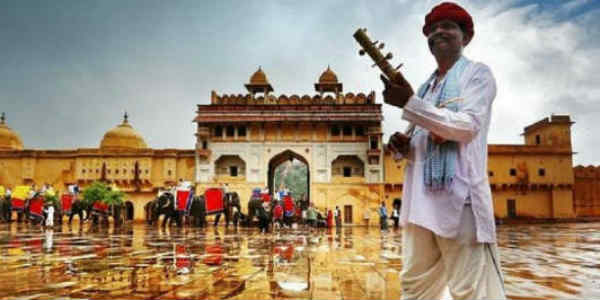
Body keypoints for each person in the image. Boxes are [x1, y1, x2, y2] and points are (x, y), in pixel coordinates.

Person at [381, 2, 505, 298]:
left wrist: (409, 104)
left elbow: (466, 127)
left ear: (466, 36)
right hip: (421, 203)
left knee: (471, 289)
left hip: (460, 201)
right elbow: (427, 141)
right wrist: (405, 147)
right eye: (434, 28)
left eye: (448, 26)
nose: (439, 32)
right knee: (414, 286)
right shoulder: (426, 88)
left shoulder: (476, 75)